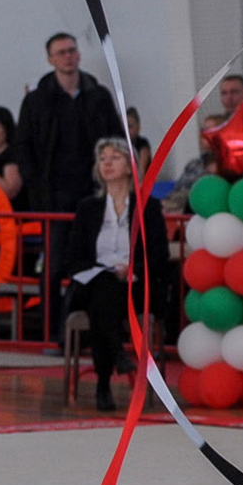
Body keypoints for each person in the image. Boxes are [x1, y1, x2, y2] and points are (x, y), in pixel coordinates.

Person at [14, 33, 121, 340]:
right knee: (53, 266)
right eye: (61, 52)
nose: (68, 56)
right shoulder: (36, 100)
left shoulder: (98, 96)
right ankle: (51, 333)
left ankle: (89, 335)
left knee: (94, 264)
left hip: (93, 194)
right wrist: (35, 185)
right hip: (53, 197)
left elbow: (114, 138)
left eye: (72, 50)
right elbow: (23, 146)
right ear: (51, 59)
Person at [62, 138, 168, 411]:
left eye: (115, 157)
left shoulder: (148, 208)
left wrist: (131, 271)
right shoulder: (88, 208)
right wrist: (105, 271)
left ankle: (104, 384)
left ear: (130, 167)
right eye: (103, 159)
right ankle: (117, 355)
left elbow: (159, 256)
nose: (107, 163)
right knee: (103, 288)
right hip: (95, 282)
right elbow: (73, 258)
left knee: (103, 304)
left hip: (135, 285)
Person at [126, 106, 152, 176]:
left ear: (138, 127)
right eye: (124, 128)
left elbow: (141, 171)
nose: (127, 131)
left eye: (130, 127)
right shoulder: (122, 145)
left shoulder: (143, 144)